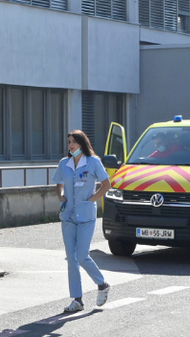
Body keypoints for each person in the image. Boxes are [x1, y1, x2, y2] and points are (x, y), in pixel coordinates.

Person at [52, 130, 111, 313]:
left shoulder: (93, 162)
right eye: (69, 141)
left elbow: (106, 184)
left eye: (74, 142)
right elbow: (59, 183)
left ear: (82, 143)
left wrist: (92, 200)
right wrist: (61, 196)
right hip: (68, 216)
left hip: (86, 216)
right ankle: (77, 300)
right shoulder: (64, 163)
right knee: (71, 258)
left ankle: (102, 284)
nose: (71, 145)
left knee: (82, 256)